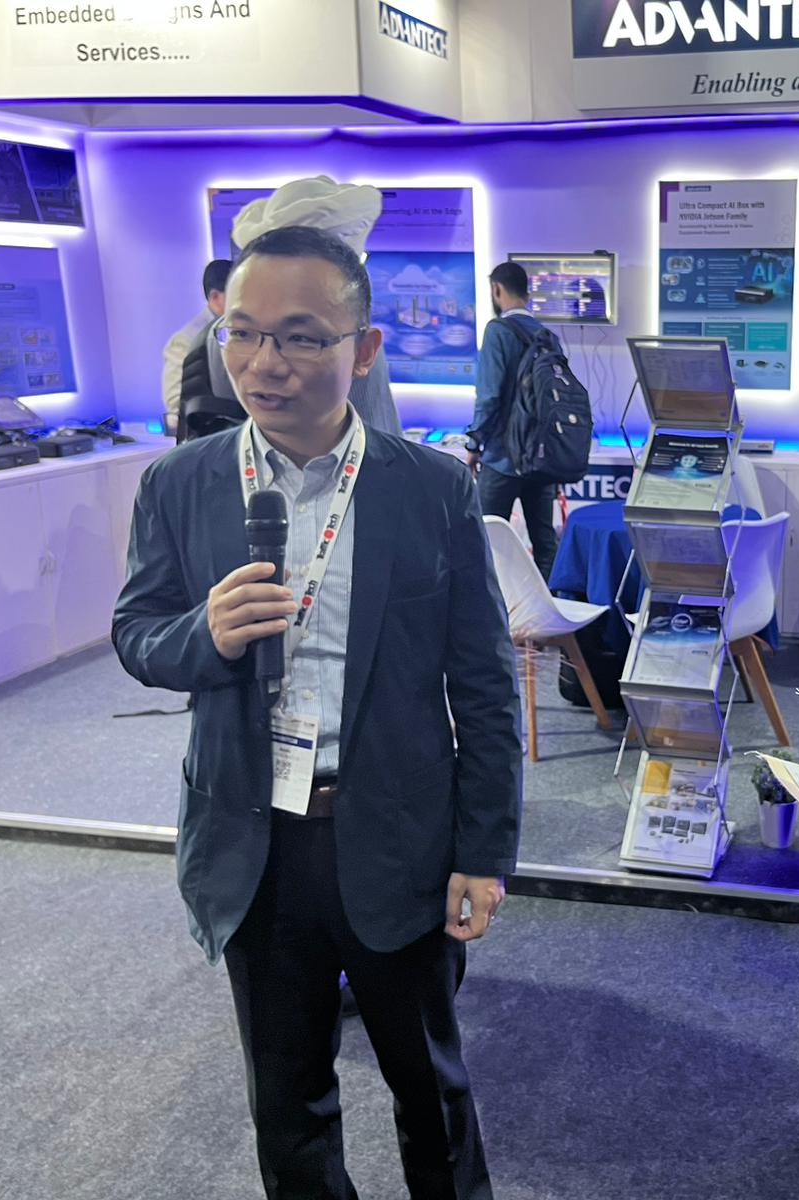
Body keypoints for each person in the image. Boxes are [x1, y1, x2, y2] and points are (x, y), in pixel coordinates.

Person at [113, 225, 521, 1200]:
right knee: (287, 1109)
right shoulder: (180, 482)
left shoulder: (432, 488)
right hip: (252, 847)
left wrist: (484, 851)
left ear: (363, 348)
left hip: (395, 838)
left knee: (431, 1092)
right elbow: (137, 634)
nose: (265, 363)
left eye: (300, 336)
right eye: (243, 333)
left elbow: (484, 685)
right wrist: (204, 635)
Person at [178, 177, 402, 441]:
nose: (264, 364)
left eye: (300, 339)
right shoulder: (344, 339)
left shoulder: (220, 332)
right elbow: (375, 434)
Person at [464, 261, 559, 582]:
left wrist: (474, 443)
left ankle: (492, 607)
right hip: (542, 459)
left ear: (496, 289)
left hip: (502, 458)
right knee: (545, 543)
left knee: (483, 541)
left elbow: (489, 396)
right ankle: (548, 608)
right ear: (527, 294)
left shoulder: (498, 331)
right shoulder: (548, 336)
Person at [161, 258, 229, 438]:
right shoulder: (187, 340)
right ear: (215, 297)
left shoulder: (245, 332)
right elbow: (176, 401)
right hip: (210, 437)